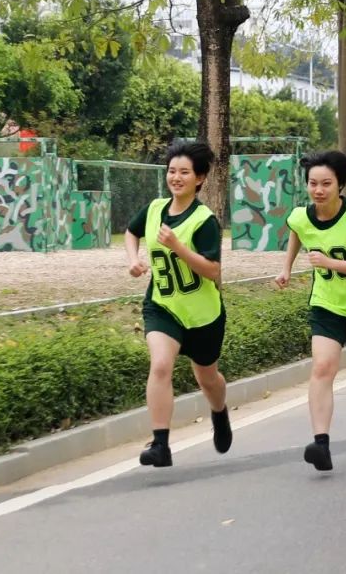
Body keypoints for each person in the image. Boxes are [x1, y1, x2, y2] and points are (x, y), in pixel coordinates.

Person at [275, 150, 346, 471]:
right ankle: (321, 444)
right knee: (322, 367)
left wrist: (329, 262)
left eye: (326, 183)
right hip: (326, 305)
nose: (318, 190)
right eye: (313, 183)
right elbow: (298, 230)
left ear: (340, 184)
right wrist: (286, 268)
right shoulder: (301, 215)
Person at [124, 141, 231, 467]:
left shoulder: (204, 220)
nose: (176, 177)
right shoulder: (154, 209)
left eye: (184, 172)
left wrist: (178, 247)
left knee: (208, 379)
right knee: (160, 365)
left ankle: (219, 412)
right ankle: (160, 444)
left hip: (203, 316)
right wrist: (133, 259)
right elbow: (131, 232)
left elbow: (213, 270)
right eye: (172, 171)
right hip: (163, 306)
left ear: (200, 178)